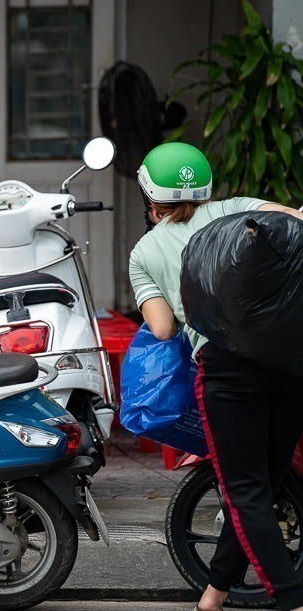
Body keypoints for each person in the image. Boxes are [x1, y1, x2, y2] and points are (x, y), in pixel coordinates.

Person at [129, 142, 303, 611]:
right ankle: (214, 593)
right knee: (262, 486)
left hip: (228, 373)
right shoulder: (239, 208)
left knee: (244, 492)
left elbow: (163, 328)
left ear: (148, 196)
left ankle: (292, 599)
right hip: (289, 364)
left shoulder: (145, 252)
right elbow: (295, 219)